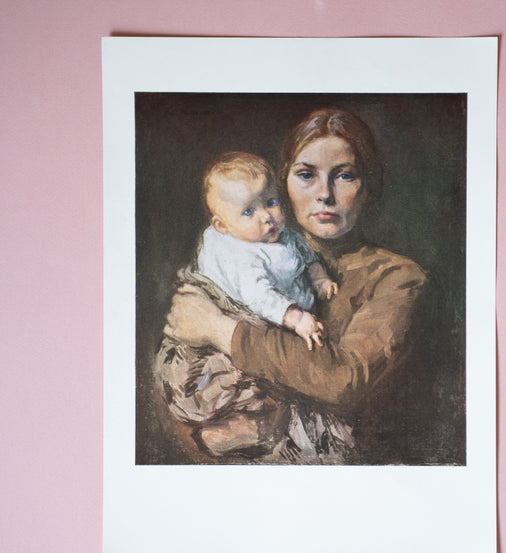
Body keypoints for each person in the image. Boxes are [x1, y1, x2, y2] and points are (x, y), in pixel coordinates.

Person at [158, 109, 429, 464]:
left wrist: (218, 328)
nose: (325, 195)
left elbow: (342, 380)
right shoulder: (246, 250)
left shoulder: (397, 277)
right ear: (284, 181)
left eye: (344, 176)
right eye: (306, 175)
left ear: (367, 187)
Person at [196, 151, 337, 350]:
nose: (266, 216)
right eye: (248, 211)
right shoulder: (241, 257)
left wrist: (319, 278)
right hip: (266, 321)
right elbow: (260, 298)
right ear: (223, 226)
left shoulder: (279, 234)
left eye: (271, 202)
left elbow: (306, 254)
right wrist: (296, 318)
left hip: (298, 309)